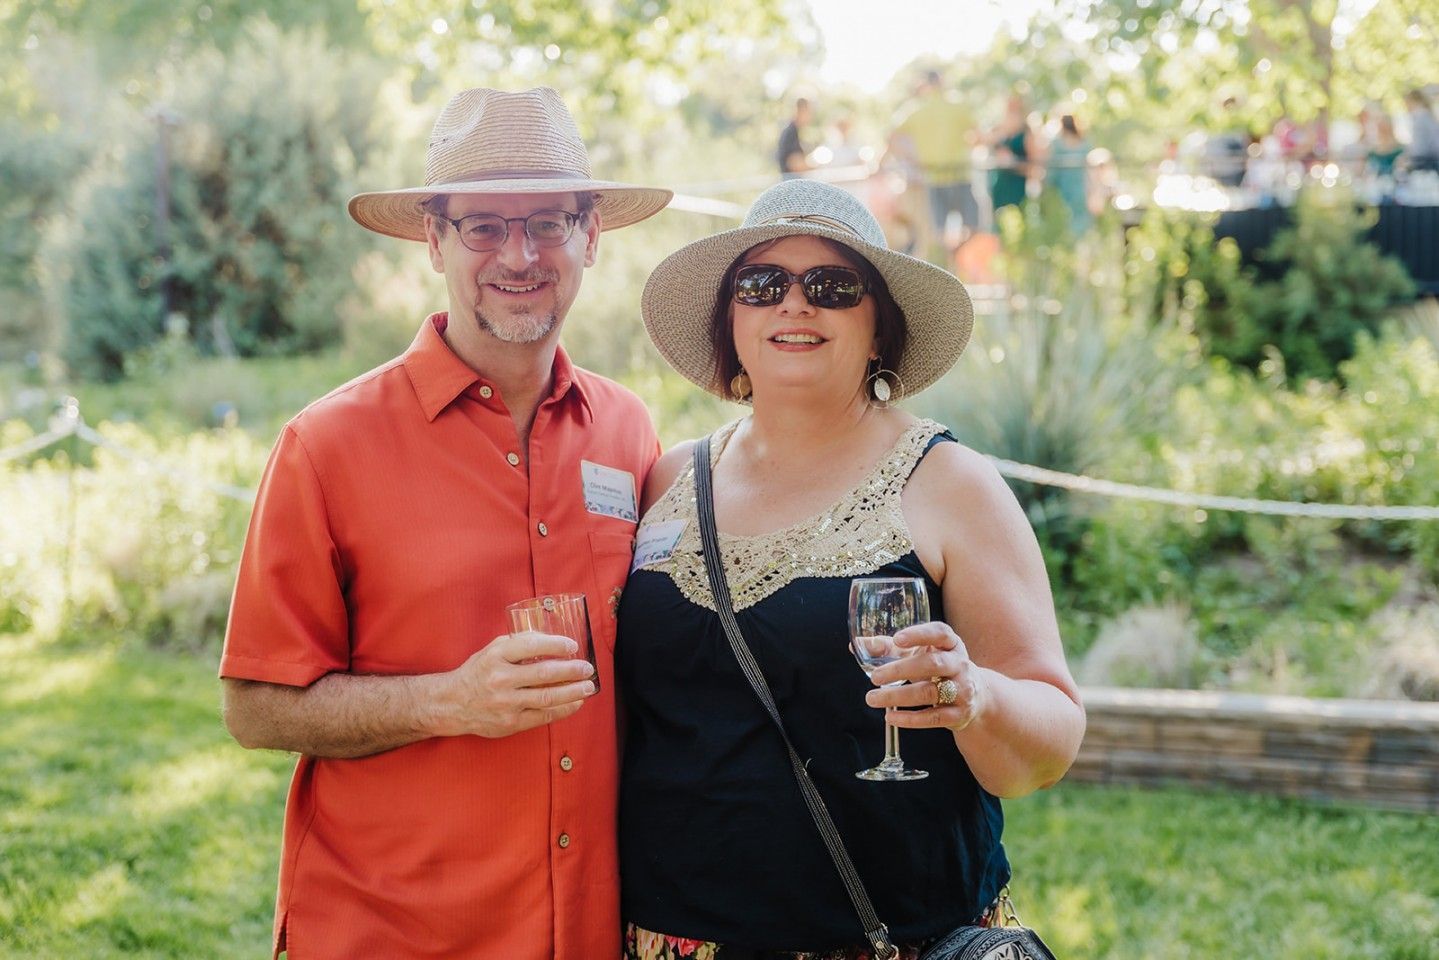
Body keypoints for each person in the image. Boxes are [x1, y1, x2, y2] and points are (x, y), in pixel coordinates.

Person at [218, 86, 672, 960]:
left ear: (590, 236)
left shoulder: (628, 431)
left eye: (546, 222)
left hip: (584, 929)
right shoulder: (326, 445)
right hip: (390, 930)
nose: (519, 253)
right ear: (433, 239)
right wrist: (448, 701)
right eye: (483, 226)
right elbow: (254, 707)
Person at [617, 179, 1085, 958]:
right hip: (674, 938)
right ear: (729, 322)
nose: (793, 306)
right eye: (762, 285)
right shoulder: (667, 483)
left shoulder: (946, 483)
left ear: (878, 331)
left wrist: (974, 696)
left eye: (832, 286)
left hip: (884, 938)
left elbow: (1051, 739)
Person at [889, 70, 980, 259]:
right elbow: (977, 136)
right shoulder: (958, 106)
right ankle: (954, 259)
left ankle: (951, 260)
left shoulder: (916, 109)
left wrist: (914, 161)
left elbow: (892, 138)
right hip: (958, 174)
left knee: (940, 232)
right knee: (969, 227)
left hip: (937, 176)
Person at [988, 93, 1040, 218]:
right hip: (1000, 188)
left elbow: (1036, 169)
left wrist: (1013, 162)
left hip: (1018, 190)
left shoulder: (1027, 135)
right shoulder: (1000, 131)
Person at [1047, 114, 1093, 233]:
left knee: (1072, 215)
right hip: (1075, 185)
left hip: (1070, 185)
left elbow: (1052, 167)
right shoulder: (1084, 143)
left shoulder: (1058, 144)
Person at [1403, 88, 1439, 173]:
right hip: (1428, 160)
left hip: (1426, 162)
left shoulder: (1421, 116)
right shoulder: (1426, 116)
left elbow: (1419, 146)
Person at [778, 97, 814, 178]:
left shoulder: (795, 131)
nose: (811, 116)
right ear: (801, 110)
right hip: (791, 185)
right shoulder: (790, 132)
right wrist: (816, 163)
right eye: (809, 112)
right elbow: (794, 164)